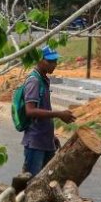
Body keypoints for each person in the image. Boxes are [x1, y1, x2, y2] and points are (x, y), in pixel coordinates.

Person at [20, 46, 76, 176]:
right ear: (40, 61)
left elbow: (43, 109)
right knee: (31, 184)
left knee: (47, 183)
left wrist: (51, 136)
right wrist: (59, 114)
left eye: (55, 61)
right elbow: (30, 111)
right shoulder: (33, 81)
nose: (54, 64)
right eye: (50, 61)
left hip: (45, 140)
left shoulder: (44, 80)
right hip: (35, 143)